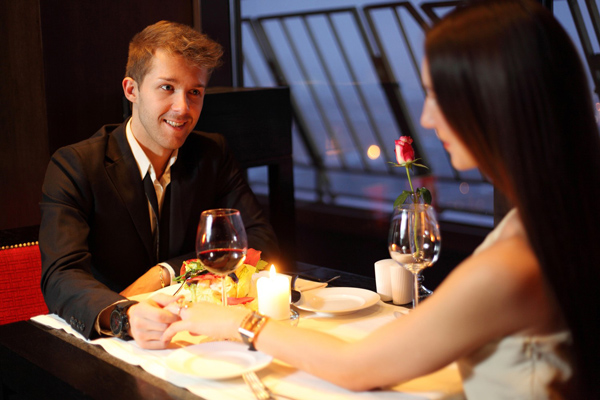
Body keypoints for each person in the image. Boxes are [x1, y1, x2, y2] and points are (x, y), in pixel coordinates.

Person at [158, 1, 600, 398]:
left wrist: (238, 324)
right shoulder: (560, 220)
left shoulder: (512, 265)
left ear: (494, 102)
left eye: (435, 95)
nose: (426, 117)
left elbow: (356, 369)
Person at [39, 21, 279, 348]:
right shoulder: (74, 165)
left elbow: (259, 238)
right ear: (131, 90)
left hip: (195, 331)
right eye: (167, 87)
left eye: (195, 91)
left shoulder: (213, 153)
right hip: (112, 339)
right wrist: (125, 315)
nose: (183, 108)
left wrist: (165, 271)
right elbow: (61, 276)